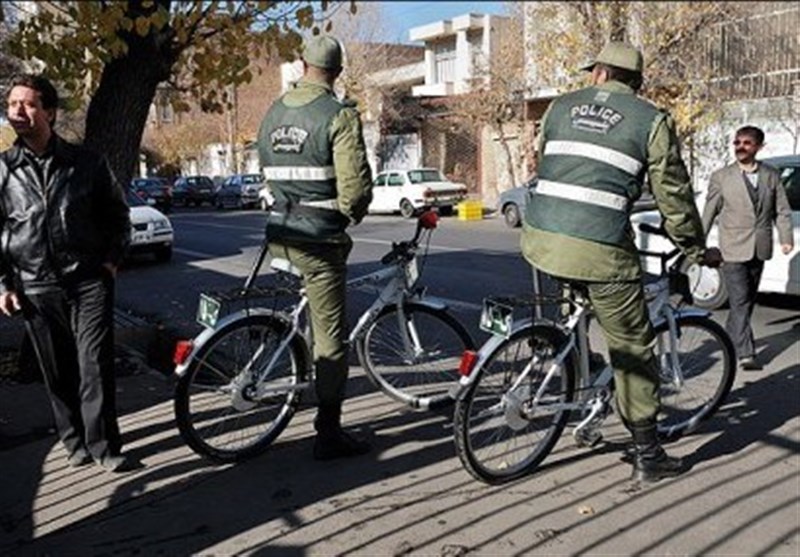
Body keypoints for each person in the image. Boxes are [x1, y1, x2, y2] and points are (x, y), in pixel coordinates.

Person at [521, 42, 722, 483]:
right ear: (638, 81)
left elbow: (550, 161)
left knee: (577, 304)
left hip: (540, 238)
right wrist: (694, 249)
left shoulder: (559, 107)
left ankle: (585, 372)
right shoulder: (651, 120)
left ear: (599, 73)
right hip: (599, 248)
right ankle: (648, 454)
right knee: (632, 344)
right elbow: (673, 195)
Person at [0, 74, 132, 472]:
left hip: (88, 280)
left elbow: (118, 217)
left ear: (50, 112)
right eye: (12, 104)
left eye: (28, 104)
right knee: (57, 371)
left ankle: (104, 445)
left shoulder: (87, 163)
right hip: (35, 285)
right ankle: (73, 440)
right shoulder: (3, 170)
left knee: (94, 364)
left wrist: (110, 263)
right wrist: (4, 284)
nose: (18, 111)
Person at [256, 36, 373, 461]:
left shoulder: (273, 112)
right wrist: (350, 214)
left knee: (304, 314)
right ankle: (328, 431)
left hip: (279, 233)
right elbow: (355, 191)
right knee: (331, 339)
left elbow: (268, 173)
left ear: (303, 66)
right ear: (337, 72)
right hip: (319, 241)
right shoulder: (338, 115)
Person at [701, 126, 794, 371]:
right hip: (732, 247)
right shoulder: (722, 177)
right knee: (740, 299)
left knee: (748, 300)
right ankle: (745, 353)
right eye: (737, 142)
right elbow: (709, 211)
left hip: (760, 246)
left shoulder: (771, 175)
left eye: (747, 143)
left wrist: (786, 238)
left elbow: (782, 210)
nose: (740, 147)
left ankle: (730, 336)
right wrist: (698, 243)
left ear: (759, 147)